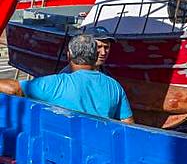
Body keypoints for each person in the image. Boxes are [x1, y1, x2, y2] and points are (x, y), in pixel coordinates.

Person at [0, 34, 134, 122]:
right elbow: (129, 124)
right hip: (102, 150)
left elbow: (13, 89)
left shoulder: (57, 83)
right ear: (94, 56)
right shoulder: (114, 86)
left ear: (69, 55)